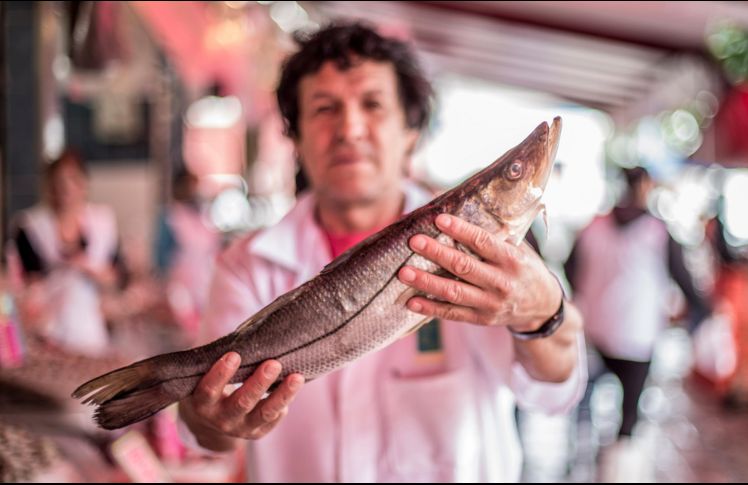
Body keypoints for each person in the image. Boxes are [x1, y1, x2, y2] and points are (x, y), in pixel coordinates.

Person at [179, 22, 587, 482]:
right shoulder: (245, 264)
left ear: (411, 130)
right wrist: (211, 420)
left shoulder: (496, 252)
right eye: (325, 108)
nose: (350, 128)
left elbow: (555, 390)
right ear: (296, 137)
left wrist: (545, 314)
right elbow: (204, 430)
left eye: (372, 104)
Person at [564, 166, 711, 476]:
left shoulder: (593, 226)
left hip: (594, 330)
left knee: (583, 400)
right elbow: (684, 280)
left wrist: (591, 295)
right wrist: (703, 312)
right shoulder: (658, 231)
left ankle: (580, 459)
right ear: (644, 185)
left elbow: (570, 268)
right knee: (628, 412)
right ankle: (616, 468)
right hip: (637, 335)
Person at [5, 148, 125, 356]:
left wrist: (90, 271)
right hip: (48, 328)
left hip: (93, 325)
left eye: (72, 180)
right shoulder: (31, 226)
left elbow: (117, 276)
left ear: (84, 183)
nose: (66, 188)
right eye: (58, 181)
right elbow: (29, 283)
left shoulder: (102, 222)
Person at [153, 170, 221, 343]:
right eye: (192, 186)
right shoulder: (171, 218)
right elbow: (161, 258)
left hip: (205, 285)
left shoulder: (204, 217)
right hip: (179, 288)